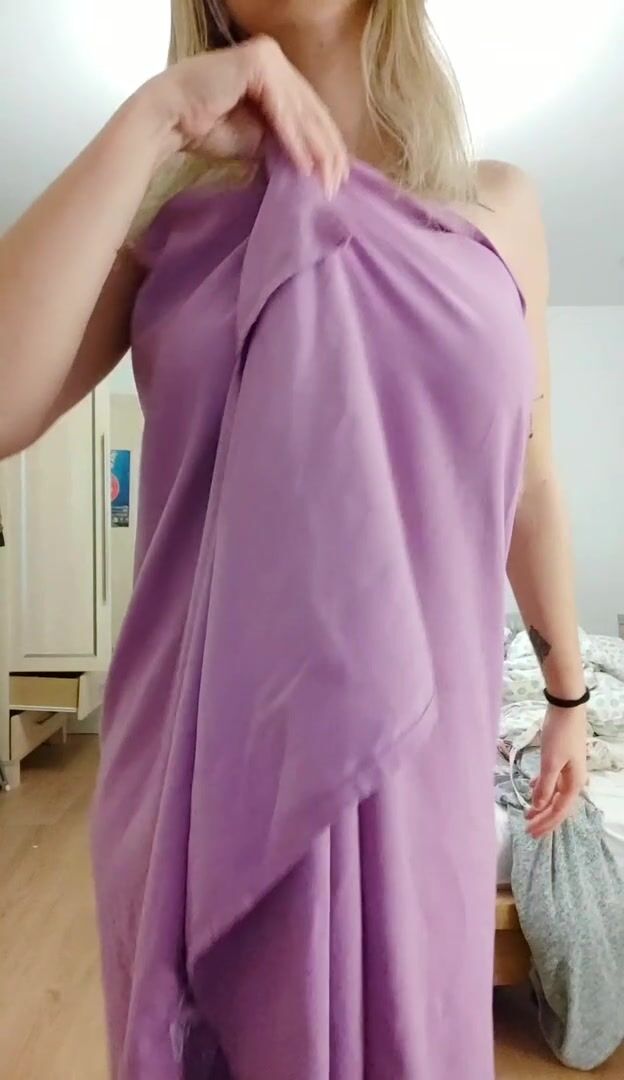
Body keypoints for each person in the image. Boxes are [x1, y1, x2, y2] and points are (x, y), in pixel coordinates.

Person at [0, 1, 589, 1077]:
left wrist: (567, 698)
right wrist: (155, 118)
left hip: (425, 773)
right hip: (205, 775)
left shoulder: (500, 207)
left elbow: (531, 479)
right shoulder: (167, 219)